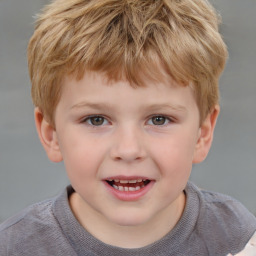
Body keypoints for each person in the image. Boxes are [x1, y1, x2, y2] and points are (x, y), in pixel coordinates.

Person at [0, 0, 255, 255]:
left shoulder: (238, 239)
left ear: (203, 133)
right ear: (51, 135)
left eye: (159, 119)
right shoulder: (15, 247)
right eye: (96, 120)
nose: (129, 149)